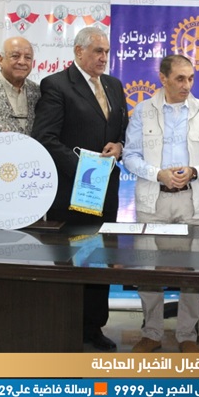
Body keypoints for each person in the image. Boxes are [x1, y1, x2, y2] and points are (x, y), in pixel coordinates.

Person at [32, 26, 128, 351]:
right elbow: (45, 138)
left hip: (106, 193)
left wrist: (120, 146)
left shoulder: (114, 85)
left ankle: (93, 327)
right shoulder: (57, 85)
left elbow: (122, 129)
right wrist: (85, 169)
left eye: (106, 52)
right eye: (97, 51)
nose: (103, 57)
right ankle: (67, 325)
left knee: (99, 258)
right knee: (73, 259)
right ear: (78, 51)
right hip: (73, 191)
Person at [123, 55, 199, 354]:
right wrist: (158, 174)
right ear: (163, 78)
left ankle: (187, 335)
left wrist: (194, 171)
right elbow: (130, 156)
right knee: (148, 270)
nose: (187, 85)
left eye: (191, 78)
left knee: (194, 272)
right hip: (153, 201)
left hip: (195, 202)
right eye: (180, 78)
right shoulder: (143, 111)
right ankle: (152, 332)